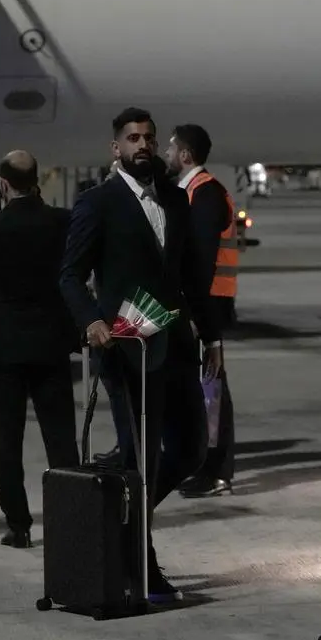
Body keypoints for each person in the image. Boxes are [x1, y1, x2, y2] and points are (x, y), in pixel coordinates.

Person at [59, 107, 222, 603]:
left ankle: (129, 515)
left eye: (149, 138)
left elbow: (194, 277)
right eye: (133, 139)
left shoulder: (176, 200)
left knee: (193, 449)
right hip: (127, 350)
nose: (143, 145)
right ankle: (140, 561)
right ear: (116, 149)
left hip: (174, 344)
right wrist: (91, 321)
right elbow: (70, 274)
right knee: (140, 454)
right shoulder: (98, 203)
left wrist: (212, 337)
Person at [0, 150, 80, 549]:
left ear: (3, 182)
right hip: (50, 343)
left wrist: (0, 209)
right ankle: (71, 520)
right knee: (61, 438)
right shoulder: (62, 221)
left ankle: (18, 525)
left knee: (8, 442)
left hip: (5, 347)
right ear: (37, 180)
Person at [164, 124, 239, 498]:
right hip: (201, 302)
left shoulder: (205, 193)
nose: (165, 154)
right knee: (205, 387)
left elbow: (203, 259)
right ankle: (205, 464)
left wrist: (196, 313)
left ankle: (218, 471)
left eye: (170, 148)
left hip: (207, 303)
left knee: (213, 387)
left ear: (185, 155)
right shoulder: (192, 190)